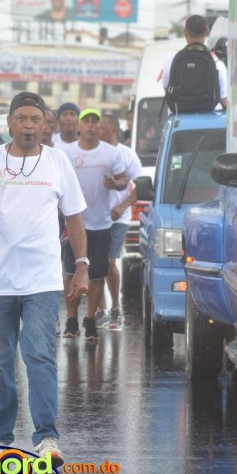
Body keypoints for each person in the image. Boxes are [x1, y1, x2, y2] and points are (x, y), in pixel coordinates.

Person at [0, 91, 88, 465]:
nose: (29, 126)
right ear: (10, 123)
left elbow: (74, 216)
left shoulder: (57, 162)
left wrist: (82, 265)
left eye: (36, 119)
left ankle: (46, 438)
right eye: (22, 119)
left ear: (45, 124)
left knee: (39, 355)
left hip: (42, 280)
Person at [61, 108, 128, 341]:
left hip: (100, 224)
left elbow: (124, 179)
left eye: (94, 122)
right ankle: (71, 319)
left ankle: (90, 319)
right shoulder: (67, 153)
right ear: (79, 127)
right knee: (71, 272)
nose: (90, 125)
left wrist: (116, 184)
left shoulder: (111, 153)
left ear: (99, 127)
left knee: (97, 274)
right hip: (74, 222)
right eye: (86, 121)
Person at [98, 114, 143, 330]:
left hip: (118, 217)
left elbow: (141, 185)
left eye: (102, 127)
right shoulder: (92, 153)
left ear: (113, 130)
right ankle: (100, 310)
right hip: (94, 217)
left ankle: (115, 307)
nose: (97, 130)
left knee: (108, 260)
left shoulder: (127, 154)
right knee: (94, 263)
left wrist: (122, 206)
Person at [162, 14, 229, 111]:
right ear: (207, 32)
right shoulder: (217, 63)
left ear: (185, 32)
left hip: (178, 116)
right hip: (210, 116)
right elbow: (223, 99)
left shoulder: (171, 60)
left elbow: (167, 89)